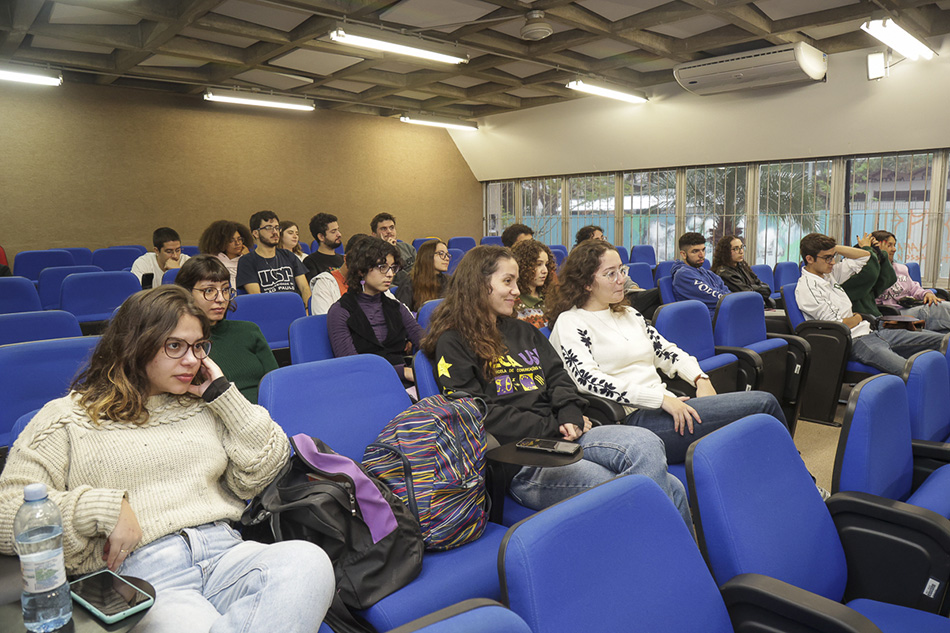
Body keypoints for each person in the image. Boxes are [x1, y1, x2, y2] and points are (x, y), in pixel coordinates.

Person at [0, 285, 333, 632]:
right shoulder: (67, 418)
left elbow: (265, 469)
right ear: (135, 345)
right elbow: (7, 509)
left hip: (228, 554)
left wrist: (223, 396)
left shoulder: (206, 406)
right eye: (174, 345)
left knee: (309, 561)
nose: (192, 360)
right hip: (145, 574)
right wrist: (99, 509)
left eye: (199, 346)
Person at [421, 245, 691, 528]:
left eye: (516, 281)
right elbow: (476, 412)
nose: (516, 290)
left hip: (565, 434)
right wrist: (552, 425)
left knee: (647, 443)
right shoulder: (453, 342)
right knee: (665, 487)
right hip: (523, 458)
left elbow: (558, 377)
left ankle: (672, 560)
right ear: (478, 284)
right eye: (507, 281)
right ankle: (665, 559)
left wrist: (569, 413)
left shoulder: (523, 331)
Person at [547, 240, 786, 463]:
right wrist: (660, 399)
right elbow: (588, 380)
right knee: (764, 405)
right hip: (631, 419)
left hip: (665, 405)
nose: (621, 280)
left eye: (622, 270)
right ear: (586, 282)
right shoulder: (571, 322)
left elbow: (666, 351)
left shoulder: (628, 314)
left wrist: (699, 377)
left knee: (752, 431)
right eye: (610, 274)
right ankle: (805, 482)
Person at [796, 232, 944, 375]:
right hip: (856, 341)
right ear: (809, 258)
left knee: (943, 341)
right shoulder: (808, 288)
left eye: (833, 256)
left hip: (873, 331)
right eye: (828, 258)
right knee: (912, 372)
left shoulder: (829, 274)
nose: (833, 262)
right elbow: (840, 326)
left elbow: (865, 257)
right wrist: (858, 317)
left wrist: (835, 248)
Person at [176, 255, 278, 404]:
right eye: (209, 290)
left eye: (225, 290)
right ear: (186, 293)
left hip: (268, 413)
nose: (221, 299)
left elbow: (275, 383)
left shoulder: (249, 331)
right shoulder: (182, 344)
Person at [327, 237, 423, 386]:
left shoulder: (396, 307)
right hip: (367, 386)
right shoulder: (340, 311)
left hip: (404, 382)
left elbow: (424, 342)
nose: (390, 274)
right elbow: (352, 367)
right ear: (361, 270)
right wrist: (402, 372)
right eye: (382, 267)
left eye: (393, 268)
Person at [874, 230, 950, 333]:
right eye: (889, 245)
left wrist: (926, 293)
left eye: (894, 245)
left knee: (939, 306)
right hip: (893, 314)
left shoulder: (901, 269)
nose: (894, 249)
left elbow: (914, 288)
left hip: (910, 308)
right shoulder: (872, 272)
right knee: (939, 310)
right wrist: (880, 257)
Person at [236, 211, 311, 308]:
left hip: (294, 310)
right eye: (268, 228)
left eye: (276, 228)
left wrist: (306, 310)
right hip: (269, 313)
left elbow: (304, 288)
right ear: (256, 233)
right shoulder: (247, 261)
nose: (275, 232)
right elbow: (257, 297)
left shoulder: (289, 255)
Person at [310, 234, 375, 315]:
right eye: (362, 262)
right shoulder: (324, 283)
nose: (366, 268)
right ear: (346, 259)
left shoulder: (372, 280)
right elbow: (326, 322)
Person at [670, 232, 729, 318]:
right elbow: (715, 298)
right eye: (695, 251)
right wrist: (731, 301)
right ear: (683, 254)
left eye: (703, 250)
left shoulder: (707, 272)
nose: (701, 255)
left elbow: (727, 292)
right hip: (704, 320)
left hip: (720, 315)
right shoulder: (683, 275)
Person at [839, 232, 896, 317]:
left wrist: (882, 254)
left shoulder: (870, 284)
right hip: (865, 321)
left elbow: (890, 279)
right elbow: (870, 274)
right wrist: (867, 249)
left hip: (876, 319)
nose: (894, 249)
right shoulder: (849, 276)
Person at [711, 235, 774, 307]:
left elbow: (767, 289)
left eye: (741, 247)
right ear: (726, 252)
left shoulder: (742, 266)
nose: (741, 251)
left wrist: (751, 287)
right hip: (743, 309)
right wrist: (754, 287)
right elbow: (748, 294)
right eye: (736, 248)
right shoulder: (724, 273)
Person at [395, 239, 450, 312]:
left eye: (447, 255)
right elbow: (401, 314)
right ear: (427, 256)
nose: (446, 258)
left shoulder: (449, 282)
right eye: (441, 254)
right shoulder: (410, 283)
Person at [511, 239, 555, 329]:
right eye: (538, 264)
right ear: (523, 266)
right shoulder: (512, 303)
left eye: (546, 264)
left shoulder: (551, 297)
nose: (545, 271)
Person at [198, 220, 251, 289]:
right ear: (220, 242)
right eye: (231, 240)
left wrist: (248, 258)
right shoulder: (213, 262)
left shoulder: (248, 259)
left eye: (239, 239)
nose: (237, 243)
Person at [371, 213, 416, 281]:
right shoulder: (372, 253)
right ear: (374, 234)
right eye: (383, 229)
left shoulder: (408, 248)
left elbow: (420, 271)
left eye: (391, 227)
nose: (389, 231)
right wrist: (388, 249)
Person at [303, 213, 344, 279]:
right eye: (333, 231)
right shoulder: (310, 262)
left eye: (338, 230)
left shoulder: (343, 260)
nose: (339, 234)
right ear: (321, 237)